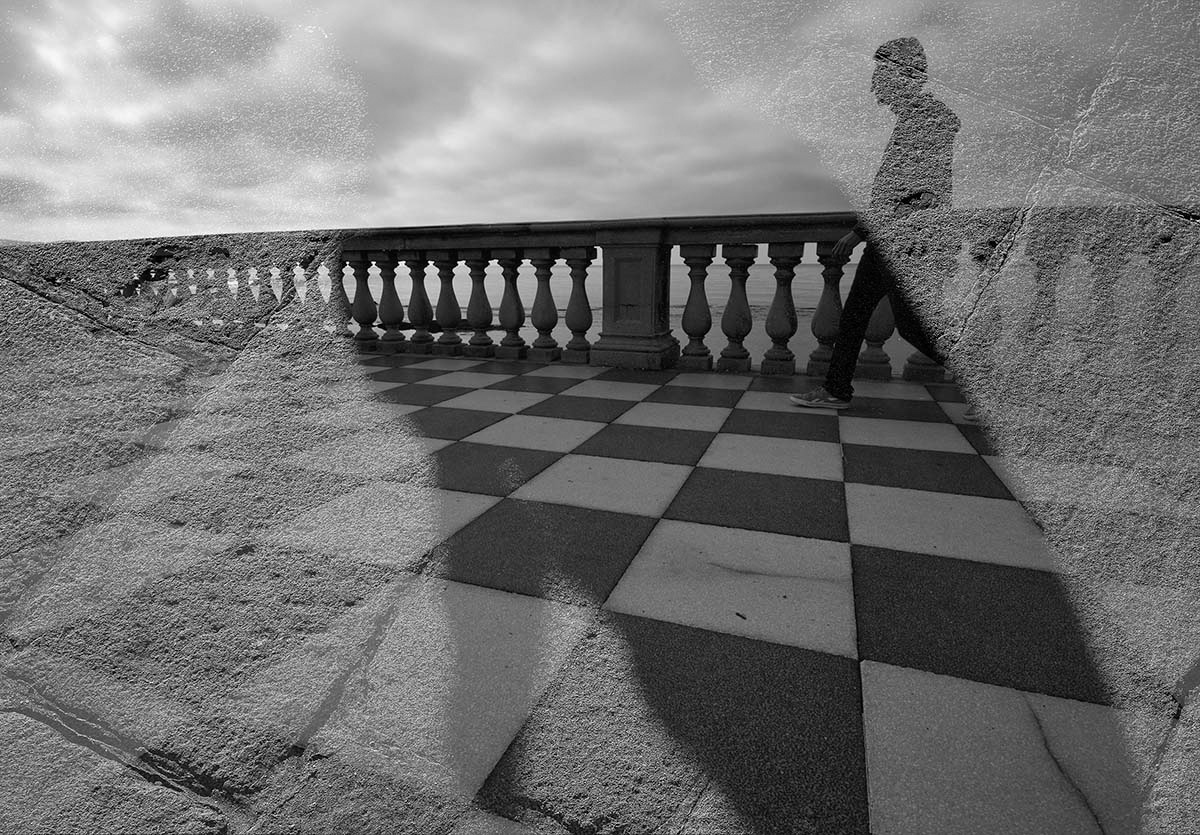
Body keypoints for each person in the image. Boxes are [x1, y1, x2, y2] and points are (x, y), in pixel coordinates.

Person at [791, 37, 980, 421]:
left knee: (914, 326)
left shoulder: (927, 120)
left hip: (910, 242)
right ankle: (835, 389)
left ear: (903, 75)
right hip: (894, 238)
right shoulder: (917, 119)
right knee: (855, 315)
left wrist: (858, 233)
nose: (875, 86)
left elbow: (909, 192)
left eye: (882, 75)